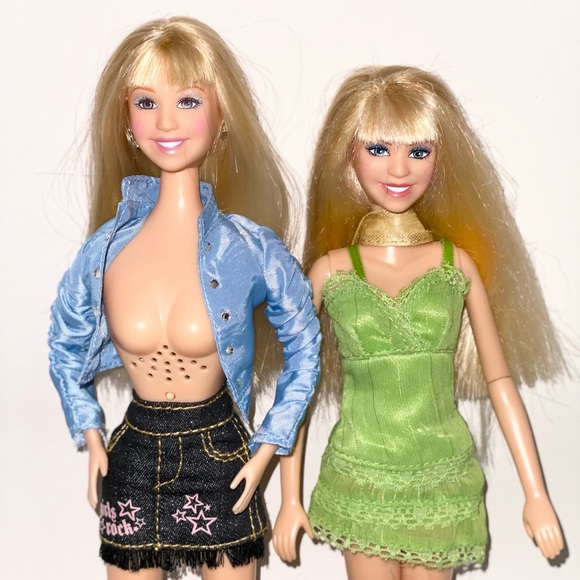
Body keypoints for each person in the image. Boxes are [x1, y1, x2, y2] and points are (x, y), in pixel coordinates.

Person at [48, 16, 320, 580]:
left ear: (222, 118)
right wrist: (92, 434)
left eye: (188, 100)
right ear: (126, 120)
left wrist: (268, 443)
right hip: (132, 458)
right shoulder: (104, 251)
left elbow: (304, 344)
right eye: (146, 102)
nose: (166, 121)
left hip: (221, 456)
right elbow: (64, 343)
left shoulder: (249, 248)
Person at [272, 65, 565, 580]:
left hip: (440, 475)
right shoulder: (330, 271)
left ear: (440, 159)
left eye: (419, 151)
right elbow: (297, 387)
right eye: (378, 149)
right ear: (348, 155)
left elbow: (500, 382)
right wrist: (288, 498)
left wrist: (535, 493)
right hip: (361, 473)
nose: (399, 169)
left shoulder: (456, 265)